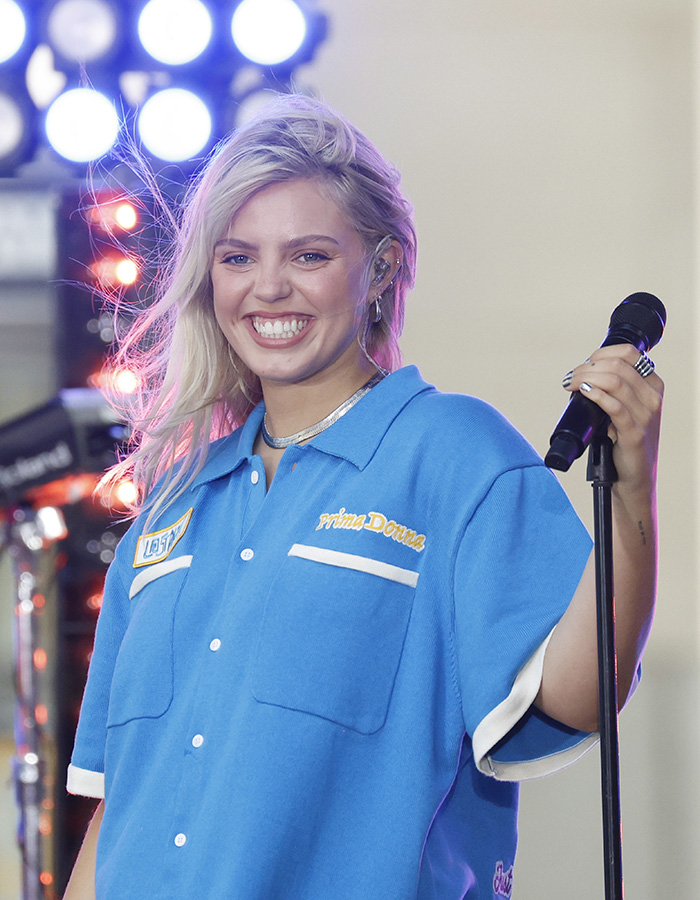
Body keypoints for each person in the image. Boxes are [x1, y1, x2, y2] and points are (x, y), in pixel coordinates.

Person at [64, 93, 663, 900]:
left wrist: (629, 496)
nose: (267, 288)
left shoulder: (454, 455)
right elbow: (114, 809)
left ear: (379, 267)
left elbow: (581, 695)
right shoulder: (170, 506)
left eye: (308, 256)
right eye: (237, 258)